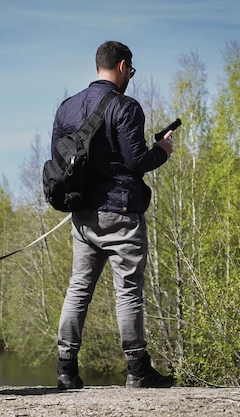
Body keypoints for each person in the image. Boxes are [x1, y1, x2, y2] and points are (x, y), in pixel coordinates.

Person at [52, 41, 175, 389]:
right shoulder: (126, 108)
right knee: (128, 291)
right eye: (131, 71)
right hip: (121, 212)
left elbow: (59, 161)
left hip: (83, 217)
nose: (130, 78)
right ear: (122, 67)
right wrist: (162, 150)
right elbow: (137, 161)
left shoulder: (66, 108)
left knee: (78, 289)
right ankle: (137, 370)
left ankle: (66, 369)